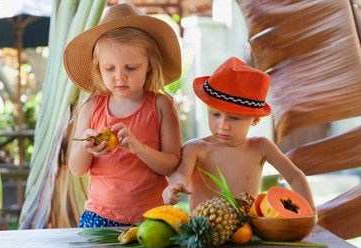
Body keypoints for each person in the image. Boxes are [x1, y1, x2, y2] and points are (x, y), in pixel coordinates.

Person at [63, 3, 182, 227]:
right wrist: (86, 147)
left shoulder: (161, 105)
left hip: (152, 217)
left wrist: (138, 148)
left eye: (131, 67)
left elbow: (171, 165)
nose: (120, 77)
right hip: (99, 216)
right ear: (99, 69)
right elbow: (77, 169)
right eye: (110, 69)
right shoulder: (91, 107)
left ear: (149, 65)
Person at [162, 56, 316, 213]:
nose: (223, 125)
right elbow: (181, 175)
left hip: (248, 231)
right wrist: (174, 186)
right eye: (215, 115)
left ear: (255, 119)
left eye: (234, 118)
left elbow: (294, 176)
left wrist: (310, 214)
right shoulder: (196, 148)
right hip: (205, 233)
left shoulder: (261, 147)